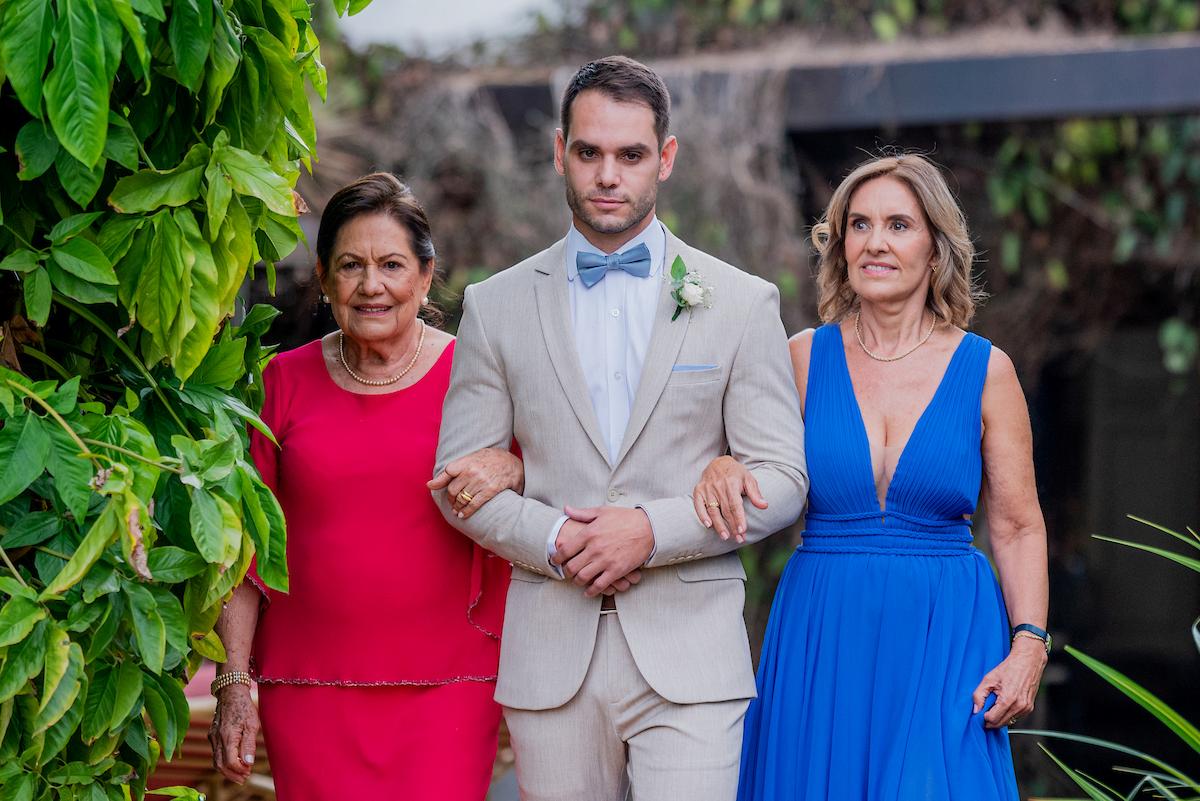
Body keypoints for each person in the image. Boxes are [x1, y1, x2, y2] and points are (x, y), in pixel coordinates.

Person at [429, 56, 808, 801]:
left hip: (692, 656)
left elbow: (784, 479)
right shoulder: (495, 305)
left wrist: (650, 529)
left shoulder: (741, 301)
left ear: (664, 159)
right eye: (590, 152)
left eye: (631, 154)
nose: (609, 174)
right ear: (559, 151)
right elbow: (457, 482)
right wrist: (557, 540)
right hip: (551, 656)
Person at [695, 153, 1050, 801]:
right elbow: (743, 469)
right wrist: (721, 461)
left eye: (898, 225)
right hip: (824, 627)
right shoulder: (799, 358)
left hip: (946, 630)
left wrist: (1029, 643)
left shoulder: (986, 370)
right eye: (859, 225)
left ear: (937, 249)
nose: (875, 242)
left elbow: (1018, 523)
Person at [208, 173, 519, 801]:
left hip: (452, 686)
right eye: (351, 266)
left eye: (392, 265)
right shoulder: (280, 383)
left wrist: (513, 468)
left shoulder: (480, 379)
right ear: (323, 277)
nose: (371, 285)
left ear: (426, 276)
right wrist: (234, 684)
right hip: (309, 690)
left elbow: (549, 483)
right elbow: (242, 553)